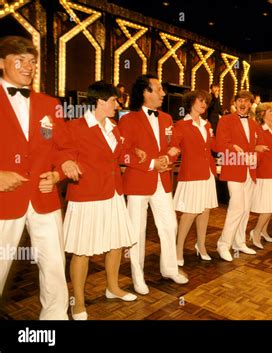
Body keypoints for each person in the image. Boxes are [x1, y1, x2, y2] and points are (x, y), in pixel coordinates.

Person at [60, 81, 144, 320]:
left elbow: (118, 154)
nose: (118, 105)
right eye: (114, 101)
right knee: (82, 250)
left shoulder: (114, 127)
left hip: (113, 193)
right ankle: (78, 301)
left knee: (116, 243)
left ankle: (113, 287)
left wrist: (134, 152)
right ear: (100, 101)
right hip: (87, 194)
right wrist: (66, 162)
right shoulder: (76, 126)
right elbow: (63, 150)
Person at [0, 36, 69, 320]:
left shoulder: (49, 104)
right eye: (20, 60)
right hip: (4, 199)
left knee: (54, 264)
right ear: (2, 63)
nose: (28, 67)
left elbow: (65, 148)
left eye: (32, 62)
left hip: (44, 198)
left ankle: (55, 319)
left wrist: (58, 173)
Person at [119, 74, 188, 296]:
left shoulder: (167, 118)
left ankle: (169, 269)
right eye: (158, 89)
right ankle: (137, 276)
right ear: (145, 92)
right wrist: (150, 163)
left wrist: (168, 158)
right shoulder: (128, 120)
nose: (163, 93)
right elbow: (123, 154)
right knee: (136, 230)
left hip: (163, 180)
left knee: (170, 225)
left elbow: (174, 144)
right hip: (138, 181)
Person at [215, 90, 266, 261]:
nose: (243, 104)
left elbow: (260, 146)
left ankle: (239, 242)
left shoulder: (253, 124)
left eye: (247, 101)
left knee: (245, 209)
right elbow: (221, 144)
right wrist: (243, 151)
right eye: (240, 100)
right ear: (235, 102)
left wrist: (255, 155)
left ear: (251, 104)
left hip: (250, 171)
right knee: (236, 208)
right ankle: (223, 244)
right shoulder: (225, 120)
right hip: (234, 169)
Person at [170, 90, 218, 265]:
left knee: (205, 211)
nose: (204, 104)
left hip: (207, 173)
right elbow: (174, 145)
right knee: (189, 213)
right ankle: (178, 248)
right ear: (191, 103)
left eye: (206, 102)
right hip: (191, 174)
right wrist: (170, 153)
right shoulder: (181, 125)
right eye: (201, 101)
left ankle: (201, 245)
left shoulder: (207, 125)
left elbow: (213, 146)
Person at [249, 102, 272, 249]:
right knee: (267, 207)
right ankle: (255, 232)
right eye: (270, 111)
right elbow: (251, 147)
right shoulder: (259, 130)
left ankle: (263, 231)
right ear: (262, 114)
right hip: (264, 172)